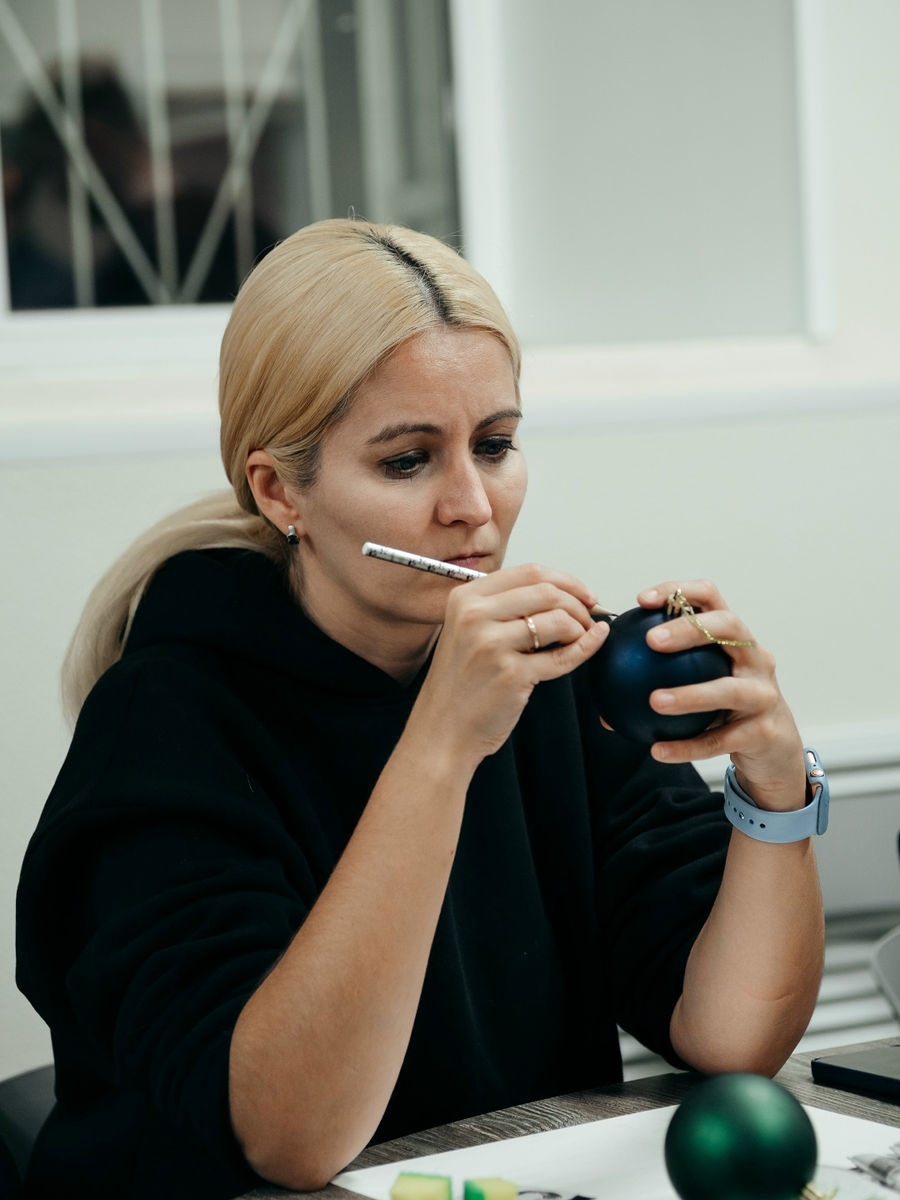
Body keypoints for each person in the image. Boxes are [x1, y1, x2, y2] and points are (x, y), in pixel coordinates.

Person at [16, 219, 824, 1200]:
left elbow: (733, 1035)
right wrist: (440, 746)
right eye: (408, 460)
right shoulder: (162, 729)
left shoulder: (551, 680)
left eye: (496, 445)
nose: (473, 506)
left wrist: (775, 795)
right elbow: (291, 1138)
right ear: (280, 493)